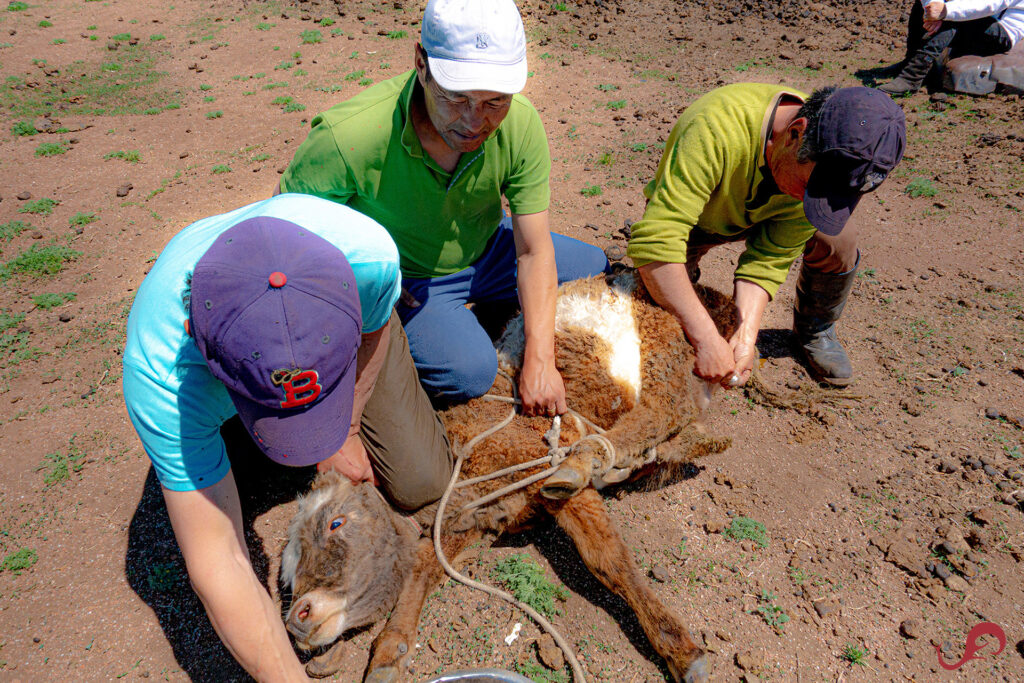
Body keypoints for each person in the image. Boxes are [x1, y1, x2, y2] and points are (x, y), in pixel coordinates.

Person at [122, 193, 452, 681]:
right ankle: (249, 435)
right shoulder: (161, 379)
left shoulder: (368, 259)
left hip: (344, 306)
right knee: (222, 496)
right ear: (202, 345)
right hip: (201, 381)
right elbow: (221, 562)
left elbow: (375, 329)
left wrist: (349, 425)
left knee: (421, 479)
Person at [277, 0, 608, 416]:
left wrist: (541, 360)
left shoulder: (521, 124)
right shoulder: (348, 137)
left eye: (495, 102)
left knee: (596, 268)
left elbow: (533, 250)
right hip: (411, 278)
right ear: (420, 61)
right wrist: (376, 287)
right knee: (469, 373)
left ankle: (488, 315)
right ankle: (430, 335)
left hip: (486, 247)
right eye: (455, 97)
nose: (474, 121)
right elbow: (283, 240)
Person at [627, 84, 906, 387]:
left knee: (838, 240)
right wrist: (705, 336)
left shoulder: (816, 164)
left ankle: (814, 328)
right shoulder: (715, 127)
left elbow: (769, 258)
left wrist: (745, 333)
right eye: (810, 189)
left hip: (764, 212)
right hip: (703, 216)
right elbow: (657, 243)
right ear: (795, 133)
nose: (807, 202)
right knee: (663, 302)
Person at [879, 0, 1024, 95]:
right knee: (922, 6)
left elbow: (991, 3)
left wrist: (946, 12)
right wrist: (932, 6)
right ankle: (909, 61)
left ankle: (912, 76)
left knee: (954, 21)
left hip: (1003, 29)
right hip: (979, 18)